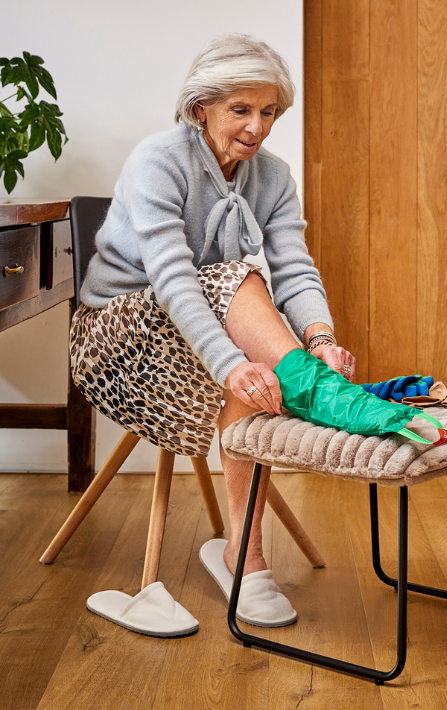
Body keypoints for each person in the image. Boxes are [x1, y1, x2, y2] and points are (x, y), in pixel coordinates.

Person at [71, 33, 356, 627]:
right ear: (200, 108)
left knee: (259, 364)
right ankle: (318, 394)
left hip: (199, 332)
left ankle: (244, 555)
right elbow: (174, 279)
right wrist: (230, 364)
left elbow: (295, 267)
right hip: (118, 339)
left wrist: (322, 338)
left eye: (269, 112)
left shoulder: (273, 176)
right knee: (236, 286)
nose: (257, 127)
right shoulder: (157, 159)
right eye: (241, 110)